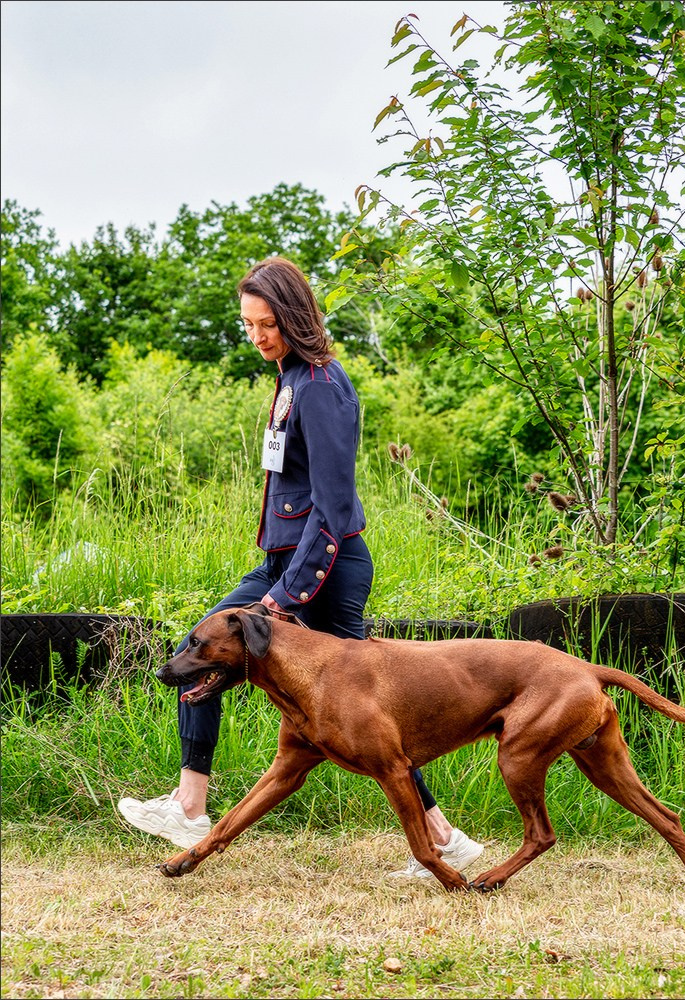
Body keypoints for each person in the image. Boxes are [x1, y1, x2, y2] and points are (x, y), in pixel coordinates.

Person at [118, 256, 483, 880]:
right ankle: (190, 804)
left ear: (294, 316)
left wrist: (285, 595)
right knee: (200, 646)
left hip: (323, 569)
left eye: (267, 324)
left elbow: (334, 509)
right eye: (248, 325)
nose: (257, 336)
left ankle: (443, 838)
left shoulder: (321, 385)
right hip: (285, 561)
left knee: (362, 713)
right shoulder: (292, 377)